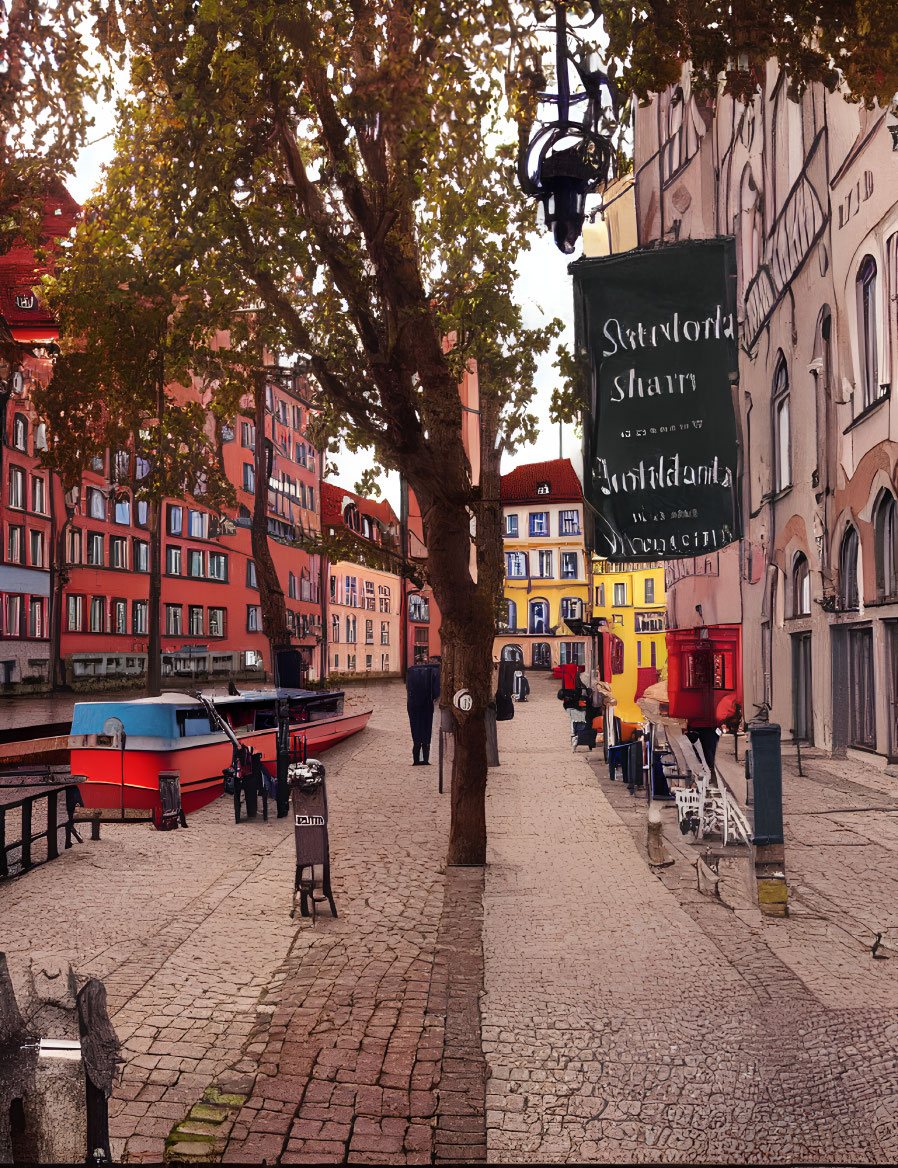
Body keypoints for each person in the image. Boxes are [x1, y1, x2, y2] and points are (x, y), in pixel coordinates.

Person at [406, 659, 440, 764]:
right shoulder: (434, 671)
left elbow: (408, 688)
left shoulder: (411, 671)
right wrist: (435, 696)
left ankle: (416, 759)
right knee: (426, 729)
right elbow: (436, 690)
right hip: (427, 703)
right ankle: (425, 759)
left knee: (415, 729)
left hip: (413, 704)